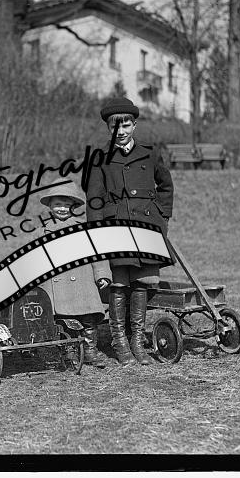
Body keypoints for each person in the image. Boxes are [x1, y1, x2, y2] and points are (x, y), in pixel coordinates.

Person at [86, 97, 174, 366]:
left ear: (134, 125)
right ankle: (119, 341)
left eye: (126, 125)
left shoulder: (150, 152)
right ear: (108, 129)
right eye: (115, 126)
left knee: (142, 282)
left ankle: (137, 340)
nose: (121, 131)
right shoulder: (99, 158)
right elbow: (94, 199)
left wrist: (161, 216)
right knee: (119, 283)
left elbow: (166, 185)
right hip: (116, 228)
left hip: (146, 227)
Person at [38, 179, 114, 368]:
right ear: (50, 206)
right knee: (64, 322)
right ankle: (69, 351)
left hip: (83, 283)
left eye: (66, 205)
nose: (62, 209)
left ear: (73, 206)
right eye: (58, 204)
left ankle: (90, 351)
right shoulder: (42, 232)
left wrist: (102, 274)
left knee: (88, 319)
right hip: (56, 286)